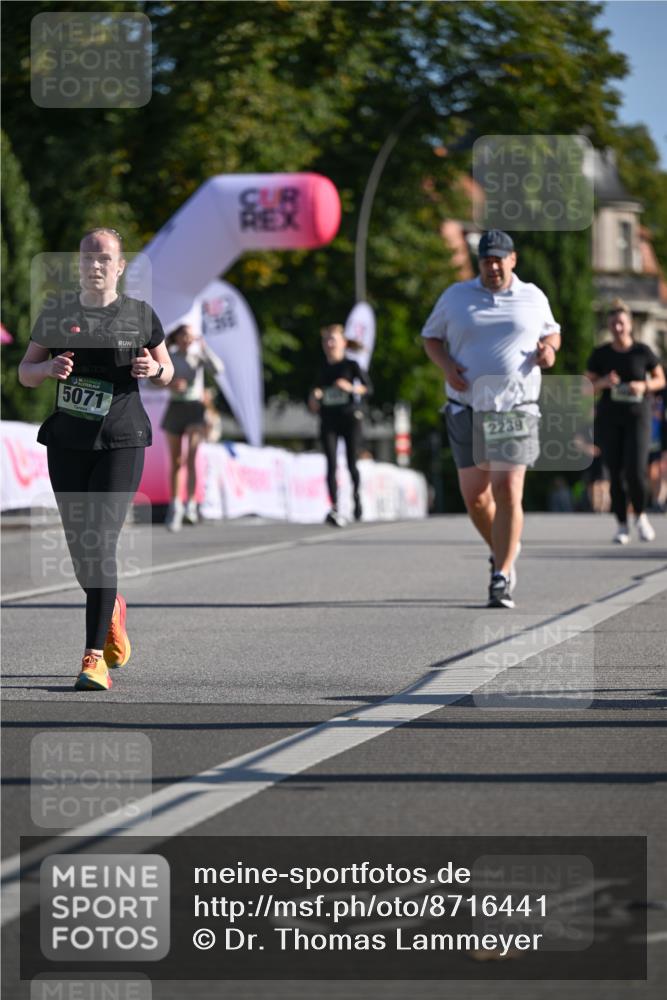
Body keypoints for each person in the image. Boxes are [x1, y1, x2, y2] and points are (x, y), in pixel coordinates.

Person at [18, 228, 173, 691]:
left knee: (100, 541)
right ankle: (113, 609)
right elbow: (25, 372)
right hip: (67, 441)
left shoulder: (140, 316)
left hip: (122, 438)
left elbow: (168, 371)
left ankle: (92, 658)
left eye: (105, 257)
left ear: (120, 266)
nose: (95, 264)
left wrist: (155, 369)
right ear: (78, 264)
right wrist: (47, 369)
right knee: (81, 551)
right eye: (88, 256)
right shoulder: (58, 313)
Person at [422, 229, 561, 608]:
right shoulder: (456, 297)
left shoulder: (532, 297)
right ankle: (505, 547)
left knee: (507, 488)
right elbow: (431, 338)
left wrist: (548, 351)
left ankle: (500, 575)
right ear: (478, 262)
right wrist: (447, 365)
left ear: (513, 259)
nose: (493, 265)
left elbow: (552, 333)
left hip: (515, 407)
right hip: (466, 407)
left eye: (499, 258)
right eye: (486, 259)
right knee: (476, 499)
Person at [584, 299, 665, 543]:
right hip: (610, 418)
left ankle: (640, 515)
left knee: (636, 471)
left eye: (621, 323)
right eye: (613, 323)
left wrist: (645, 385)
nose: (617, 328)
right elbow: (585, 387)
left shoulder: (643, 351)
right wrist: (603, 383)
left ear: (629, 324)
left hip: (638, 417)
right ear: (609, 326)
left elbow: (661, 379)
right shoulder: (601, 354)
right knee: (615, 472)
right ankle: (621, 524)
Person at [161, 324, 224, 531]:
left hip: (195, 408)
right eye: (184, 336)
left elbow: (218, 368)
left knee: (192, 456)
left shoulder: (197, 357)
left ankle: (191, 505)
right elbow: (153, 379)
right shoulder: (169, 355)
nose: (187, 340)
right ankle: (175, 505)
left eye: (190, 337)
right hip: (175, 407)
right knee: (177, 460)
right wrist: (171, 384)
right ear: (177, 338)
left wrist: (204, 347)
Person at [309, 324, 371, 526]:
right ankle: (335, 506)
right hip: (329, 420)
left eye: (332, 340)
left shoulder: (351, 365)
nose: (329, 344)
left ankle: (356, 501)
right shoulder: (321, 367)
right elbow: (314, 393)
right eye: (325, 340)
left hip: (350, 418)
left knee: (352, 463)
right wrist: (314, 397)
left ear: (343, 343)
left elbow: (368, 388)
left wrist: (351, 387)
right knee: (331, 463)